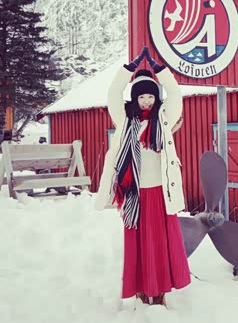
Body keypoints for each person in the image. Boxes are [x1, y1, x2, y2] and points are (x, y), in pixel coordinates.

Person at [94, 47, 191, 306]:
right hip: (134, 194)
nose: (146, 101)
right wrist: (129, 69)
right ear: (134, 98)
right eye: (141, 96)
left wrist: (160, 70)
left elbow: (176, 93)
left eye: (151, 96)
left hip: (159, 193)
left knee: (160, 244)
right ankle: (140, 288)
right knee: (137, 244)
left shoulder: (164, 119)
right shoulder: (125, 120)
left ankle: (160, 291)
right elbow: (113, 94)